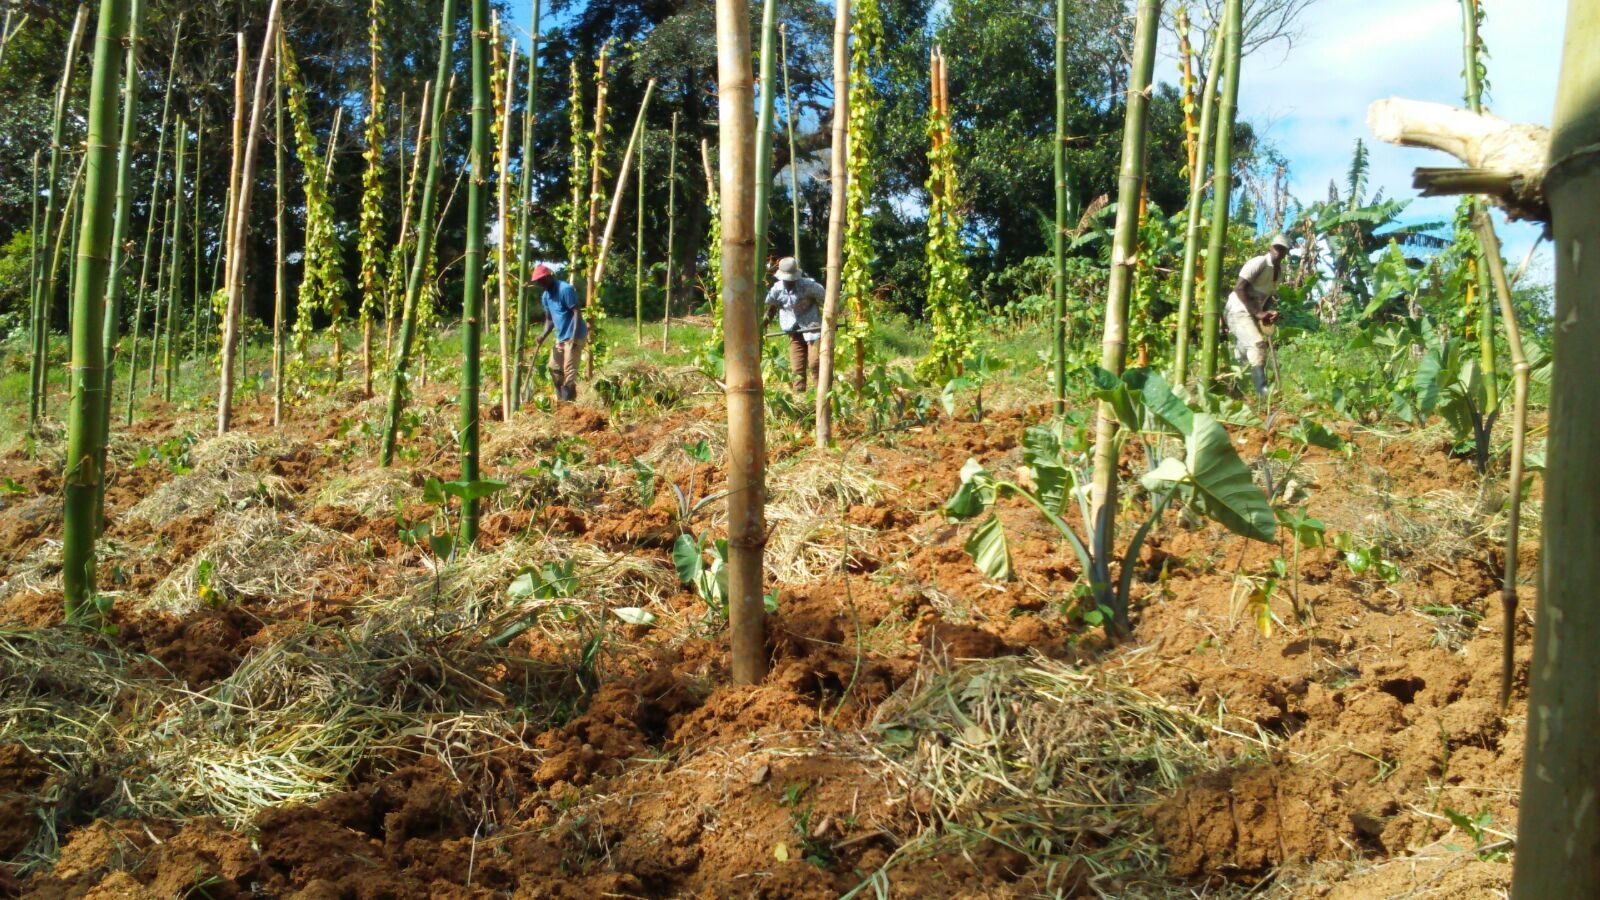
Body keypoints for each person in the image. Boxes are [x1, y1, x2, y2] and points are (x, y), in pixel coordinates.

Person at [1225, 233, 1291, 397]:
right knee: (1257, 345)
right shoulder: (1259, 263)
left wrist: (1267, 313)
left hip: (1250, 313)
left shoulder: (1280, 271)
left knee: (1242, 354)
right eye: (1276, 248)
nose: (1278, 252)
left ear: (1286, 253)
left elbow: (1266, 297)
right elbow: (1239, 288)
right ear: (1270, 247)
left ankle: (1236, 391)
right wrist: (1258, 312)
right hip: (1237, 310)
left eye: (1282, 250)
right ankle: (1262, 392)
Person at [761, 257, 824, 391]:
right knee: (797, 368)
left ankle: (822, 393)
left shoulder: (809, 285)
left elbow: (826, 299)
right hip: (793, 330)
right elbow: (772, 307)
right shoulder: (777, 289)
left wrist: (830, 319)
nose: (790, 282)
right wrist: (765, 323)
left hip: (812, 327)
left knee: (815, 363)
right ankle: (800, 394)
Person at [530, 264, 587, 402]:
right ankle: (562, 399)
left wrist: (573, 338)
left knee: (569, 371)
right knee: (554, 367)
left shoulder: (565, 289)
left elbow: (576, 313)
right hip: (561, 336)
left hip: (575, 334)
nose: (540, 283)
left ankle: (568, 405)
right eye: (538, 281)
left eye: (542, 280)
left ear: (549, 276)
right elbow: (549, 320)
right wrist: (542, 335)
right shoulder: (545, 296)